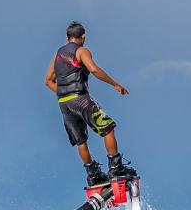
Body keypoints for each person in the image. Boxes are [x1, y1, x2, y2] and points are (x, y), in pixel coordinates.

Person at [45, 21, 138, 186]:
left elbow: (48, 81)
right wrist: (116, 84)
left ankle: (93, 175)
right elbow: (93, 69)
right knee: (108, 128)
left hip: (64, 104)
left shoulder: (57, 55)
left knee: (81, 141)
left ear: (67, 37)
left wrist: (64, 94)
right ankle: (116, 169)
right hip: (80, 99)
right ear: (83, 37)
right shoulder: (81, 51)